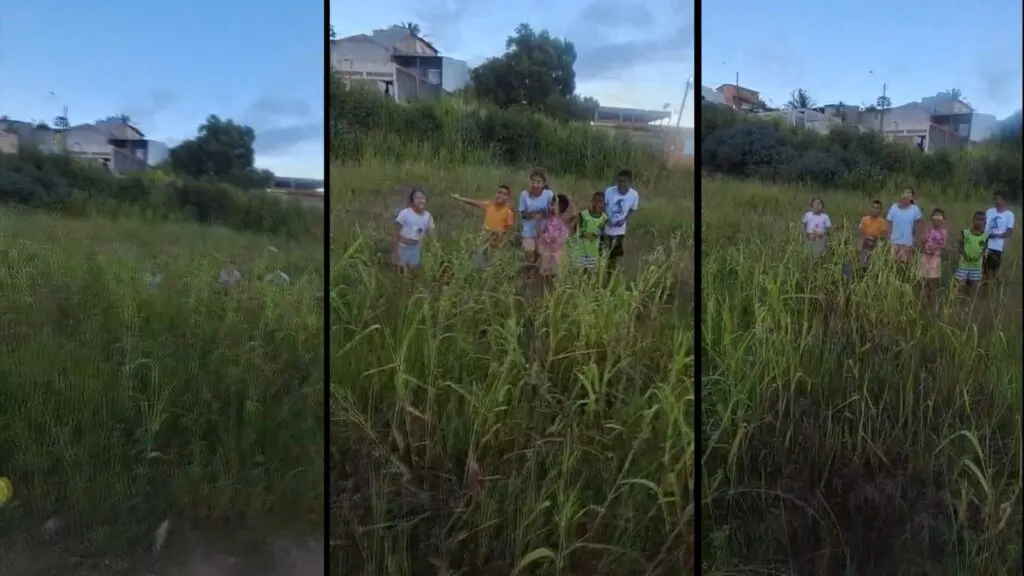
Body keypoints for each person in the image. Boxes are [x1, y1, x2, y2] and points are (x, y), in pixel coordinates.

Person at [451, 185, 515, 266]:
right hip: (484, 238)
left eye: (504, 194)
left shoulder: (508, 212)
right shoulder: (489, 205)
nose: (501, 196)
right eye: (499, 193)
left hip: (496, 242)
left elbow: (508, 231)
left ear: (507, 197)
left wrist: (498, 234)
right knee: (478, 257)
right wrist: (458, 198)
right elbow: (473, 202)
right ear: (496, 193)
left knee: (491, 262)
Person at [601, 169, 639, 275]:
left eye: (624, 182)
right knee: (603, 252)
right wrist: (606, 219)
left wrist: (624, 219)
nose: (621, 184)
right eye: (620, 181)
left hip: (620, 230)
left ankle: (610, 275)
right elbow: (602, 206)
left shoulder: (634, 195)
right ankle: (600, 273)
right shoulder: (609, 191)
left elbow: (632, 209)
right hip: (606, 229)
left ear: (630, 182)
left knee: (615, 255)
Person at [518, 171, 555, 272]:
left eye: (539, 182)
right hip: (529, 230)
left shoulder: (548, 194)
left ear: (543, 184)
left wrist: (544, 213)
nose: (535, 184)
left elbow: (553, 212)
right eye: (533, 181)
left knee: (542, 254)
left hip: (543, 230)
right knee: (529, 251)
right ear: (529, 182)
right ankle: (529, 273)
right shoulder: (524, 195)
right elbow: (522, 213)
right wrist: (533, 214)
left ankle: (538, 275)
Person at [393, 188, 435, 276]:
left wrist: (432, 247)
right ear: (412, 201)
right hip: (403, 248)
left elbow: (431, 234)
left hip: (416, 248)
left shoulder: (427, 216)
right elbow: (396, 233)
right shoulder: (405, 213)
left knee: (413, 275)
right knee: (402, 274)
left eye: (422, 198)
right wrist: (396, 251)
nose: (420, 201)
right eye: (417, 198)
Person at [537, 193, 573, 279]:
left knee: (555, 275)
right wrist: (540, 248)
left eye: (554, 205)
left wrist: (570, 201)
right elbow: (540, 233)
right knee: (545, 274)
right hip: (546, 252)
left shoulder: (564, 221)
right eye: (551, 204)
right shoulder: (547, 219)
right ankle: (545, 290)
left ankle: (551, 291)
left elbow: (574, 214)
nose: (551, 207)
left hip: (557, 253)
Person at [954, 211, 989, 295]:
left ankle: (966, 302)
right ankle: (954, 302)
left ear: (985, 222)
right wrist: (965, 256)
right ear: (973, 220)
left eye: (982, 220)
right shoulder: (965, 233)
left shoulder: (985, 236)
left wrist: (979, 256)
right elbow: (960, 246)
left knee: (970, 284)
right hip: (964, 264)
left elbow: (984, 248)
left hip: (976, 265)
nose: (979, 222)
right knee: (960, 284)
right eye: (977, 219)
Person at [983, 191, 1015, 283]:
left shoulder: (1009, 215)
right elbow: (984, 225)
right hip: (985, 244)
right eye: (995, 199)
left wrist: (993, 236)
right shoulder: (989, 211)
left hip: (997, 247)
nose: (996, 201)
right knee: (984, 270)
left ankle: (998, 287)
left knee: (993, 271)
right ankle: (985, 291)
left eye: (998, 199)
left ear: (1005, 201)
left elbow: (1008, 233)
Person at [573, 191, 609, 273]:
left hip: (593, 251)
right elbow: (577, 230)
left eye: (600, 202)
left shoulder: (604, 218)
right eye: (595, 201)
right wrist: (584, 234)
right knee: (580, 272)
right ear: (591, 201)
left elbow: (602, 233)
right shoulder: (583, 214)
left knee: (591, 273)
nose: (597, 204)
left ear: (604, 203)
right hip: (581, 250)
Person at [917, 208, 947, 304]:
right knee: (924, 280)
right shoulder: (928, 230)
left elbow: (944, 246)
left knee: (934, 280)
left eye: (940, 217)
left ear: (943, 219)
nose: (937, 219)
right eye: (935, 216)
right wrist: (924, 247)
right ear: (932, 218)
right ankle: (924, 300)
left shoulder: (943, 232)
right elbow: (922, 242)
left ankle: (934, 301)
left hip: (935, 258)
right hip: (925, 257)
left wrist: (935, 249)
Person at [886, 188, 923, 263]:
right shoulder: (894, 207)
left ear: (911, 197)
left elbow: (918, 226)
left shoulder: (915, 209)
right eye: (904, 193)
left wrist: (915, 242)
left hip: (907, 243)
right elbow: (889, 224)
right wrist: (889, 240)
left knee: (904, 265)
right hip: (894, 242)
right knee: (892, 264)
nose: (906, 195)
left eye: (909, 193)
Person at [858, 199, 887, 269]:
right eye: (873, 207)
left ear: (880, 210)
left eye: (877, 208)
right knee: (863, 264)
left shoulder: (882, 222)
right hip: (865, 243)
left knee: (874, 264)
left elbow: (883, 235)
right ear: (870, 208)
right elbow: (860, 232)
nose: (875, 210)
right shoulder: (864, 219)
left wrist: (874, 237)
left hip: (876, 243)